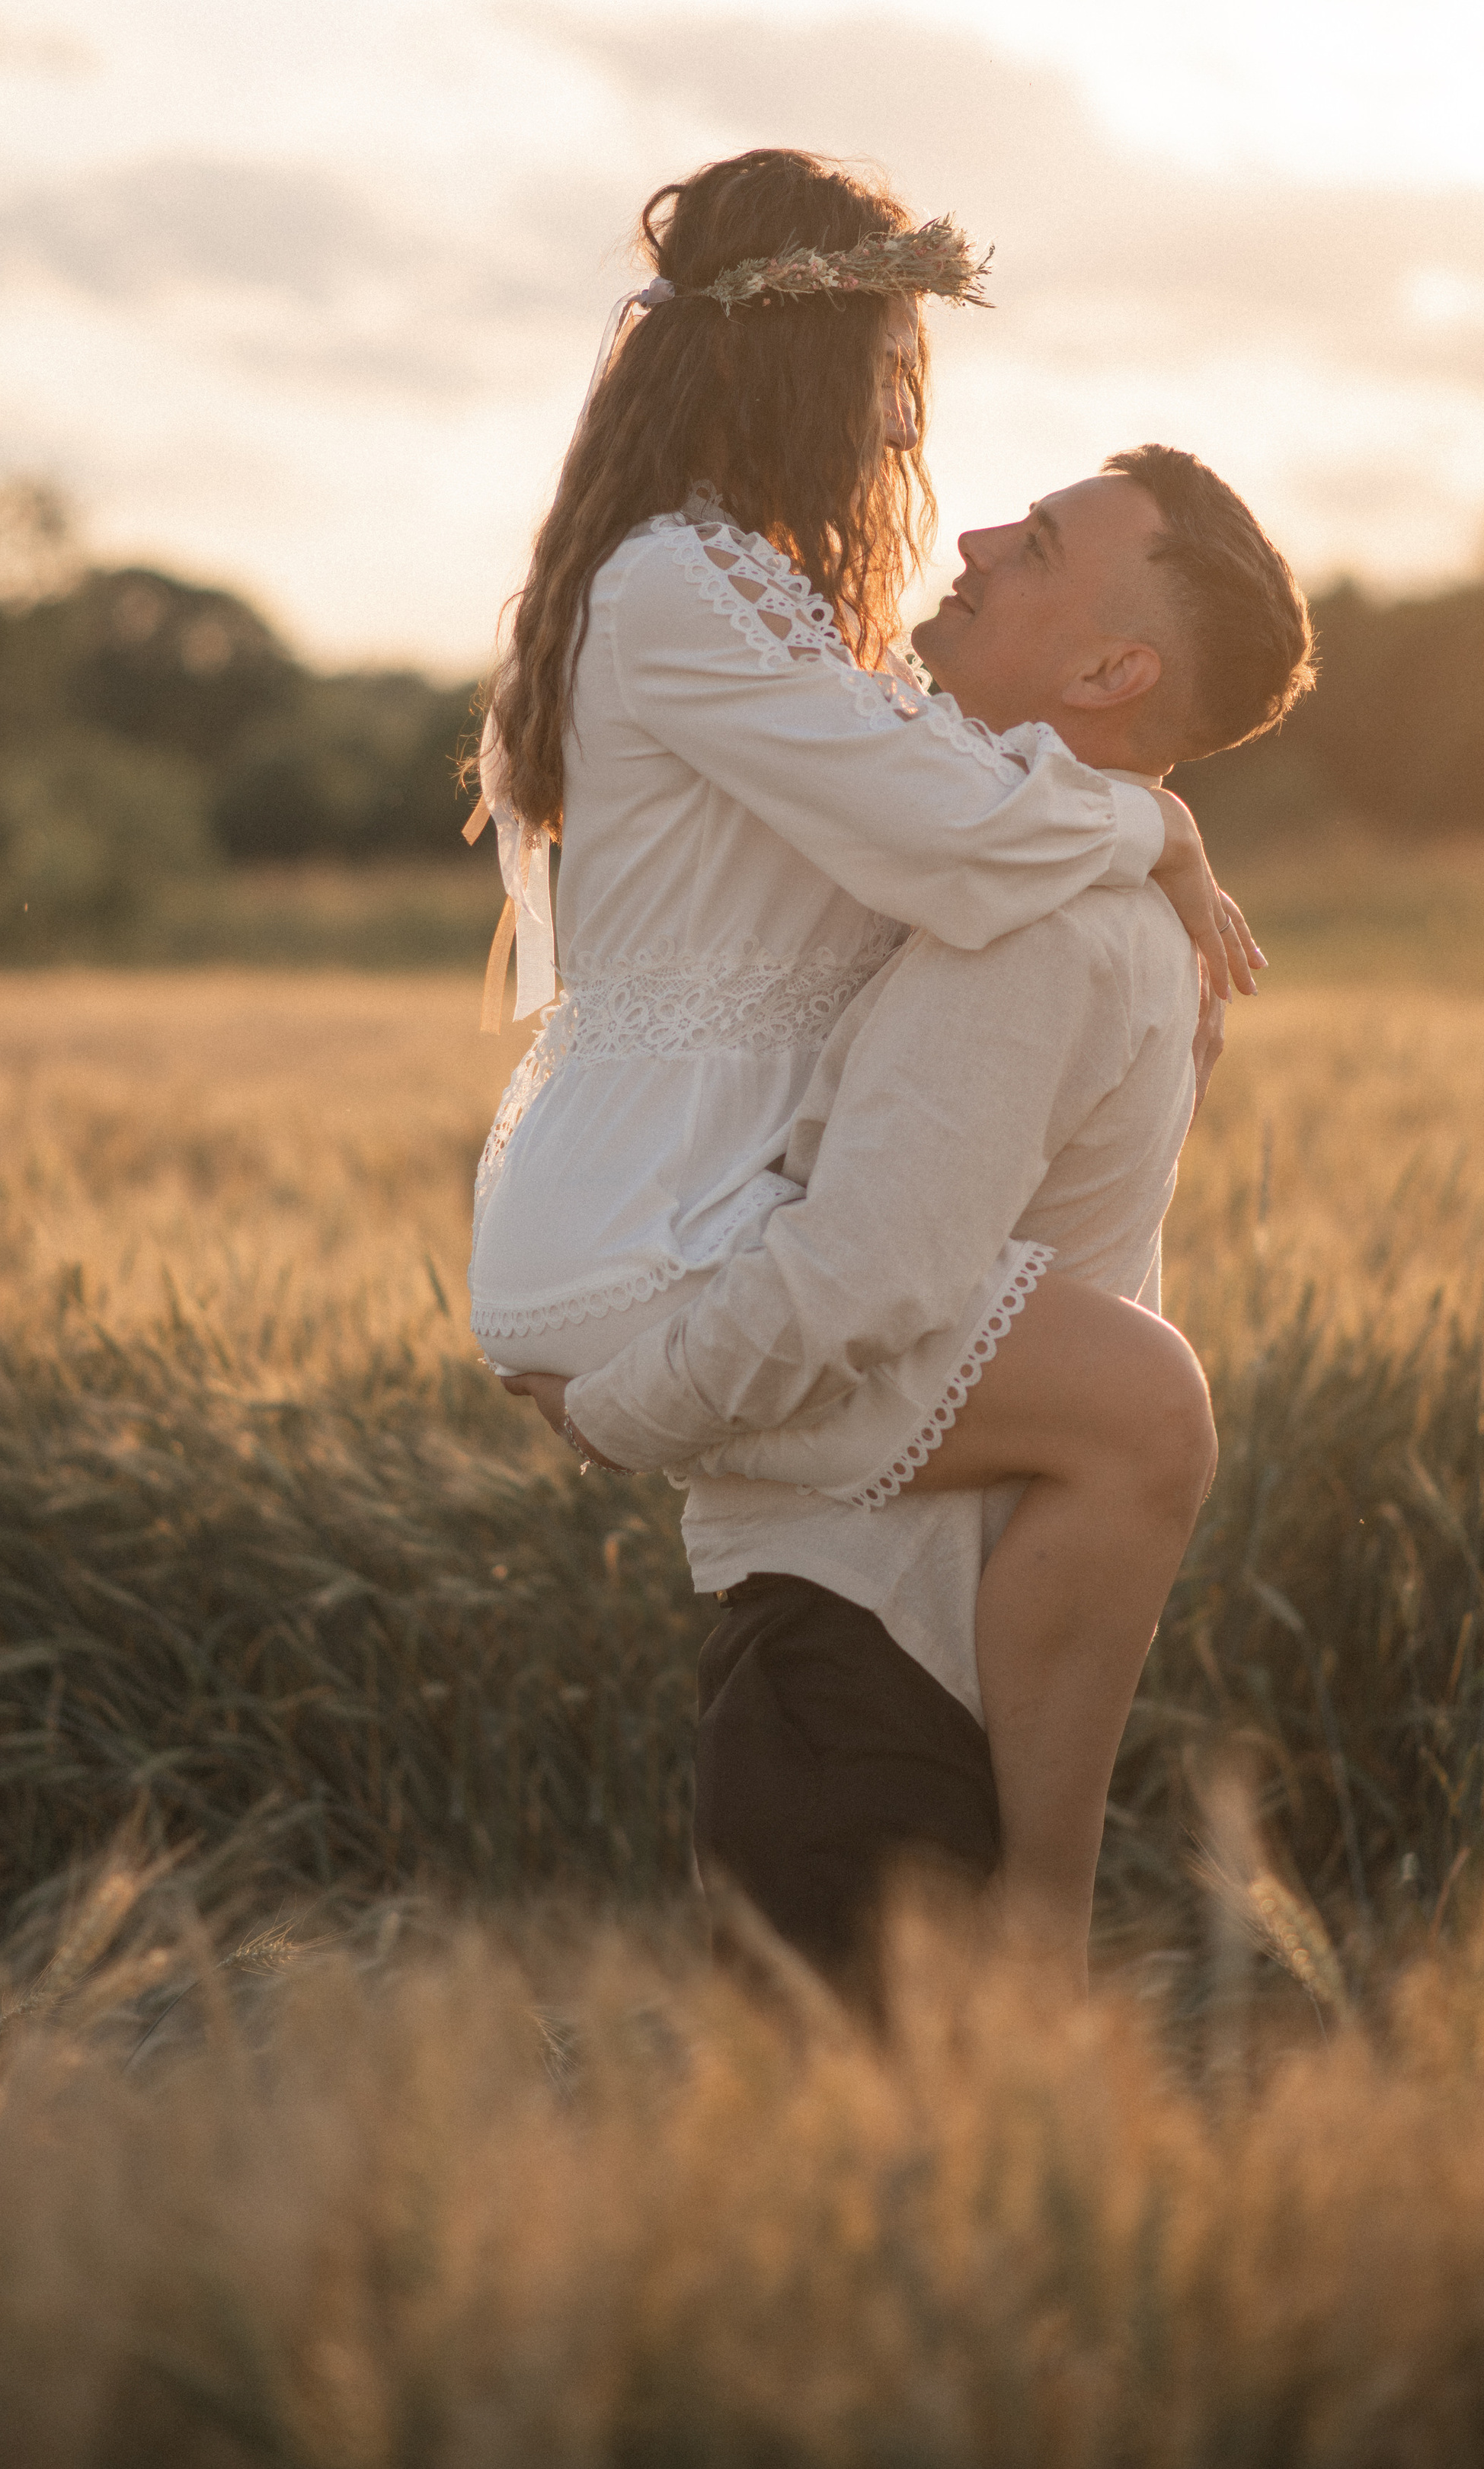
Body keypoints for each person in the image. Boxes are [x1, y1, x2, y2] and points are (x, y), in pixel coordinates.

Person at [504, 446, 1316, 1997]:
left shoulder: (1016, 920)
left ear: (1110, 666)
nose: (980, 532)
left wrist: (611, 1410)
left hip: (869, 1677)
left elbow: (859, 1279)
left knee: (834, 2213)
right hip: (914, 1667)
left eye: (1043, 540)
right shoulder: (1073, 877)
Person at [469, 149, 1254, 1548]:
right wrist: (1155, 822)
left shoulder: (745, 594)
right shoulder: (682, 586)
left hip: (673, 1204)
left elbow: (948, 801)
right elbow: (954, 839)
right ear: (808, 369)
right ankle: (1036, 1776)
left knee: (1072, 1388)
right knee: (1137, 1408)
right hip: (656, 1240)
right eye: (895, 375)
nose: (905, 435)